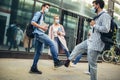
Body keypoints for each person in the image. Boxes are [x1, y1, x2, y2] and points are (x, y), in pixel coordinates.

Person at [64, 0, 111, 80]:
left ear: (98, 5)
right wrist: (91, 31)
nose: (92, 7)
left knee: (92, 64)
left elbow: (106, 29)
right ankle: (69, 60)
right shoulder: (97, 16)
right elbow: (96, 29)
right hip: (90, 40)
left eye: (93, 5)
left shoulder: (105, 16)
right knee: (78, 47)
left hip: (96, 43)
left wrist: (95, 25)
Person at [29, 3, 63, 74]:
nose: (48, 9)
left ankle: (33, 68)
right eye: (47, 7)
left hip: (39, 33)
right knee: (52, 43)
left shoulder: (42, 15)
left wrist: (44, 28)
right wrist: (41, 27)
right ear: (43, 7)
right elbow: (32, 22)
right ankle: (56, 61)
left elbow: (38, 24)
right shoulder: (39, 13)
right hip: (38, 33)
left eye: (48, 8)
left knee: (38, 52)